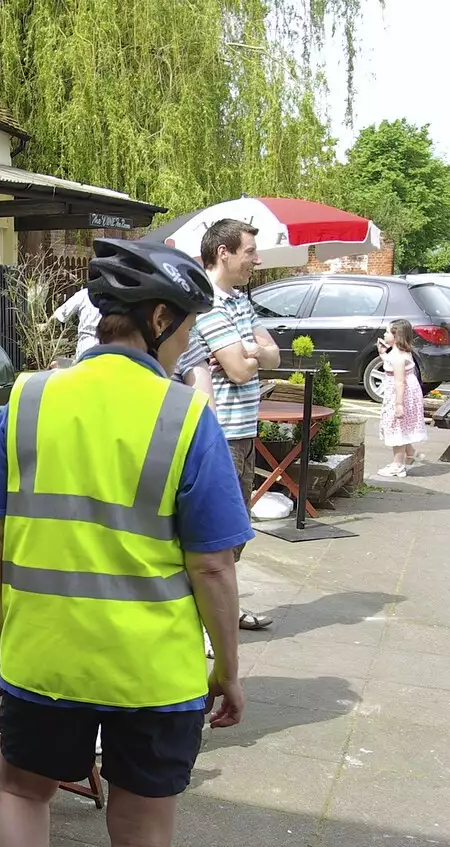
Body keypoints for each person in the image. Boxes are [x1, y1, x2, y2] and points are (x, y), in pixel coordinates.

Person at [0, 239, 252, 847]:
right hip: (150, 675)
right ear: (158, 318)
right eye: (186, 327)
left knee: (23, 794)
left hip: (42, 654)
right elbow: (215, 568)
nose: (188, 342)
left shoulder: (27, 398)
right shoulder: (185, 414)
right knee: (140, 834)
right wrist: (229, 672)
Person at [173, 219, 279, 633]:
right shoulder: (210, 302)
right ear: (224, 252)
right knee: (216, 534)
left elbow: (273, 355)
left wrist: (252, 350)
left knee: (235, 533)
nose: (257, 259)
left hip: (243, 431)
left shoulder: (238, 300)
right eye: (250, 251)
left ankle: (223, 609)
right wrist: (252, 355)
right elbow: (237, 371)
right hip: (220, 434)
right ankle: (201, 621)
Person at [376, 320, 428, 477]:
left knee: (396, 427)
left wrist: (399, 405)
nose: (384, 335)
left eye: (387, 332)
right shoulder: (399, 352)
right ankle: (411, 453)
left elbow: (400, 381)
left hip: (401, 395)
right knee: (402, 426)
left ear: (396, 336)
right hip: (407, 392)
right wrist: (383, 354)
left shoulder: (397, 357)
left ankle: (397, 465)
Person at [49, 284, 102, 360]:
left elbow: (59, 315)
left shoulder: (84, 295)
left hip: (87, 347)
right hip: (111, 347)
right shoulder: (117, 296)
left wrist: (46, 326)